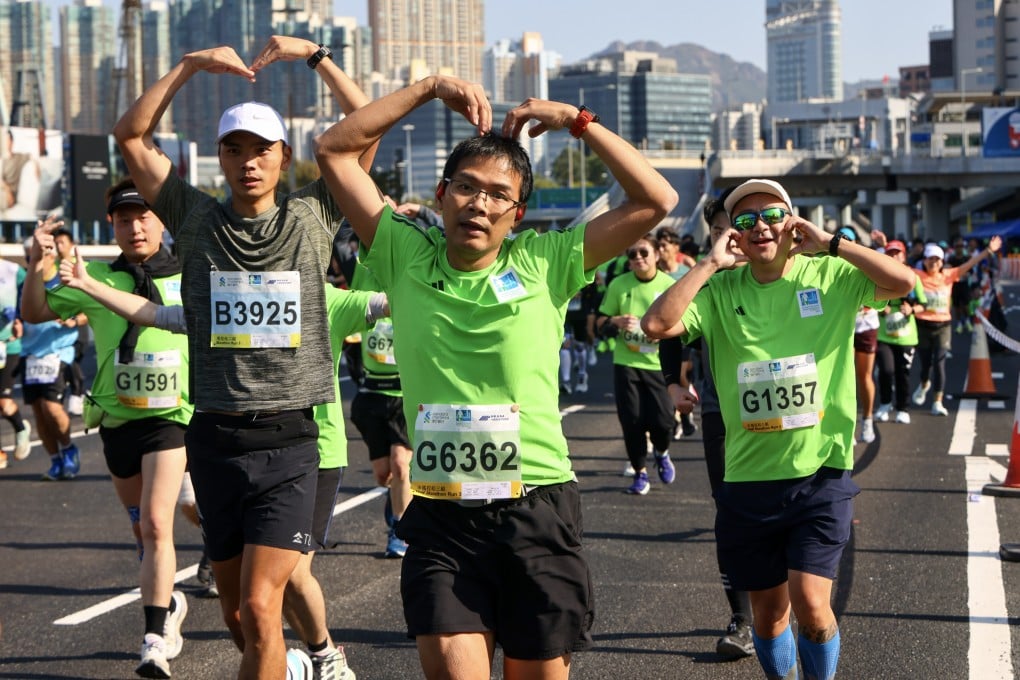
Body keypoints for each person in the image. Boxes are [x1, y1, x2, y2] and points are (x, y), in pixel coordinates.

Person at [314, 75, 677, 678]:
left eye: (498, 195)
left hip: (535, 506)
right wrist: (428, 89)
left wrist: (576, 120)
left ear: (517, 213)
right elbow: (333, 151)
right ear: (442, 194)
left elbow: (655, 200)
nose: (479, 204)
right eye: (465, 187)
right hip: (442, 513)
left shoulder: (547, 260)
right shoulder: (403, 253)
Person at [111, 35, 374, 678]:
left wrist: (316, 57)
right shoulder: (193, 217)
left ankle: (305, 658)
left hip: (288, 442)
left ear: (284, 156)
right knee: (236, 617)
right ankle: (293, 665)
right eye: (234, 149)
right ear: (220, 158)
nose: (248, 162)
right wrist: (189, 66)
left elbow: (365, 126)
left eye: (262, 150)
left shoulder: (313, 214)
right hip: (214, 439)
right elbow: (131, 136)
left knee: (260, 607)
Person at [641, 178, 914, 680]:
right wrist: (709, 264)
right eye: (746, 221)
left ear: (793, 222)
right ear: (734, 234)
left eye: (772, 216)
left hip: (820, 473)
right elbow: (656, 326)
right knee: (768, 617)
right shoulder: (719, 290)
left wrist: (831, 242)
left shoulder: (830, 274)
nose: (760, 227)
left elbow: (903, 283)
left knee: (812, 604)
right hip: (748, 478)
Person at [24, 188, 193, 679]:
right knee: (142, 531)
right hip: (117, 423)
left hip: (173, 418)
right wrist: (37, 262)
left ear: (162, 222)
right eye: (123, 220)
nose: (135, 228)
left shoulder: (190, 275)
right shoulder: (94, 275)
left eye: (143, 217)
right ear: (111, 225)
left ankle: (154, 639)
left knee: (158, 524)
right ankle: (170, 601)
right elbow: (35, 312)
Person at [657, 194, 754, 658]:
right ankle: (743, 620)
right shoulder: (706, 281)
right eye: (718, 231)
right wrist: (673, 384)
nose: (729, 238)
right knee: (731, 515)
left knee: (785, 516)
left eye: (738, 227)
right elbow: (666, 326)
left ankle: (785, 605)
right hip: (722, 413)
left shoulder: (793, 275)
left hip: (794, 424)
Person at [596, 232, 677, 495]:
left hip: (658, 365)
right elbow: (599, 322)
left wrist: (660, 332)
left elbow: (683, 325)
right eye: (632, 254)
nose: (638, 258)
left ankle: (662, 452)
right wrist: (616, 322)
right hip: (626, 363)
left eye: (644, 252)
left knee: (663, 422)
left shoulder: (669, 285)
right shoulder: (618, 285)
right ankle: (640, 473)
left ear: (657, 255)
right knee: (632, 421)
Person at [349, 263, 412, 559]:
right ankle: (398, 496)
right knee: (383, 474)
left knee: (401, 465)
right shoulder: (364, 269)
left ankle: (400, 531)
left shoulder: (410, 265)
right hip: (373, 392)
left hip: (404, 392)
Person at [912, 236, 1002, 416]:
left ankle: (937, 401)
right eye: (930, 259)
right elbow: (897, 267)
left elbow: (970, 264)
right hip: (922, 325)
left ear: (942, 262)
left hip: (943, 326)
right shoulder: (916, 275)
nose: (934, 263)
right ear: (925, 261)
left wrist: (988, 251)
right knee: (925, 365)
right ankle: (924, 383)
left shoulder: (948, 275)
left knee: (939, 363)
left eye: (937, 259)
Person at [19, 234, 80, 483]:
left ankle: (68, 448)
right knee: (39, 412)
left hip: (58, 353)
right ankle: (55, 460)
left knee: (51, 407)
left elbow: (87, 310)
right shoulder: (25, 282)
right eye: (29, 257)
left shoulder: (65, 280)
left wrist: (74, 320)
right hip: (30, 354)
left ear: (52, 255)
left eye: (39, 255)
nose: (33, 261)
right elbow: (18, 312)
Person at [873, 240, 925, 426]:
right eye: (890, 253)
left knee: (903, 373)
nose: (894, 257)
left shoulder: (913, 277)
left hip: (906, 336)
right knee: (886, 370)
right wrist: (880, 308)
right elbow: (869, 300)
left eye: (897, 253)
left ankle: (903, 408)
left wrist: (912, 309)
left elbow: (923, 304)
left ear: (904, 256)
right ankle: (885, 404)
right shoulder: (879, 276)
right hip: (884, 335)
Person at [0, 251, 32, 468]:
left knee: (3, 402)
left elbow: (30, 295)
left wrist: (20, 317)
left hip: (8, 344)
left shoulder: (13, 271)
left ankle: (21, 429)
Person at [51, 227, 88, 416]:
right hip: (57, 331)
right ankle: (73, 394)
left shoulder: (80, 268)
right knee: (60, 365)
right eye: (55, 243)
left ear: (72, 244)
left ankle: (77, 393)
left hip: (77, 329)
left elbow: (91, 304)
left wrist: (74, 320)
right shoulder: (52, 269)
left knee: (70, 360)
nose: (58, 247)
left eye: (62, 243)